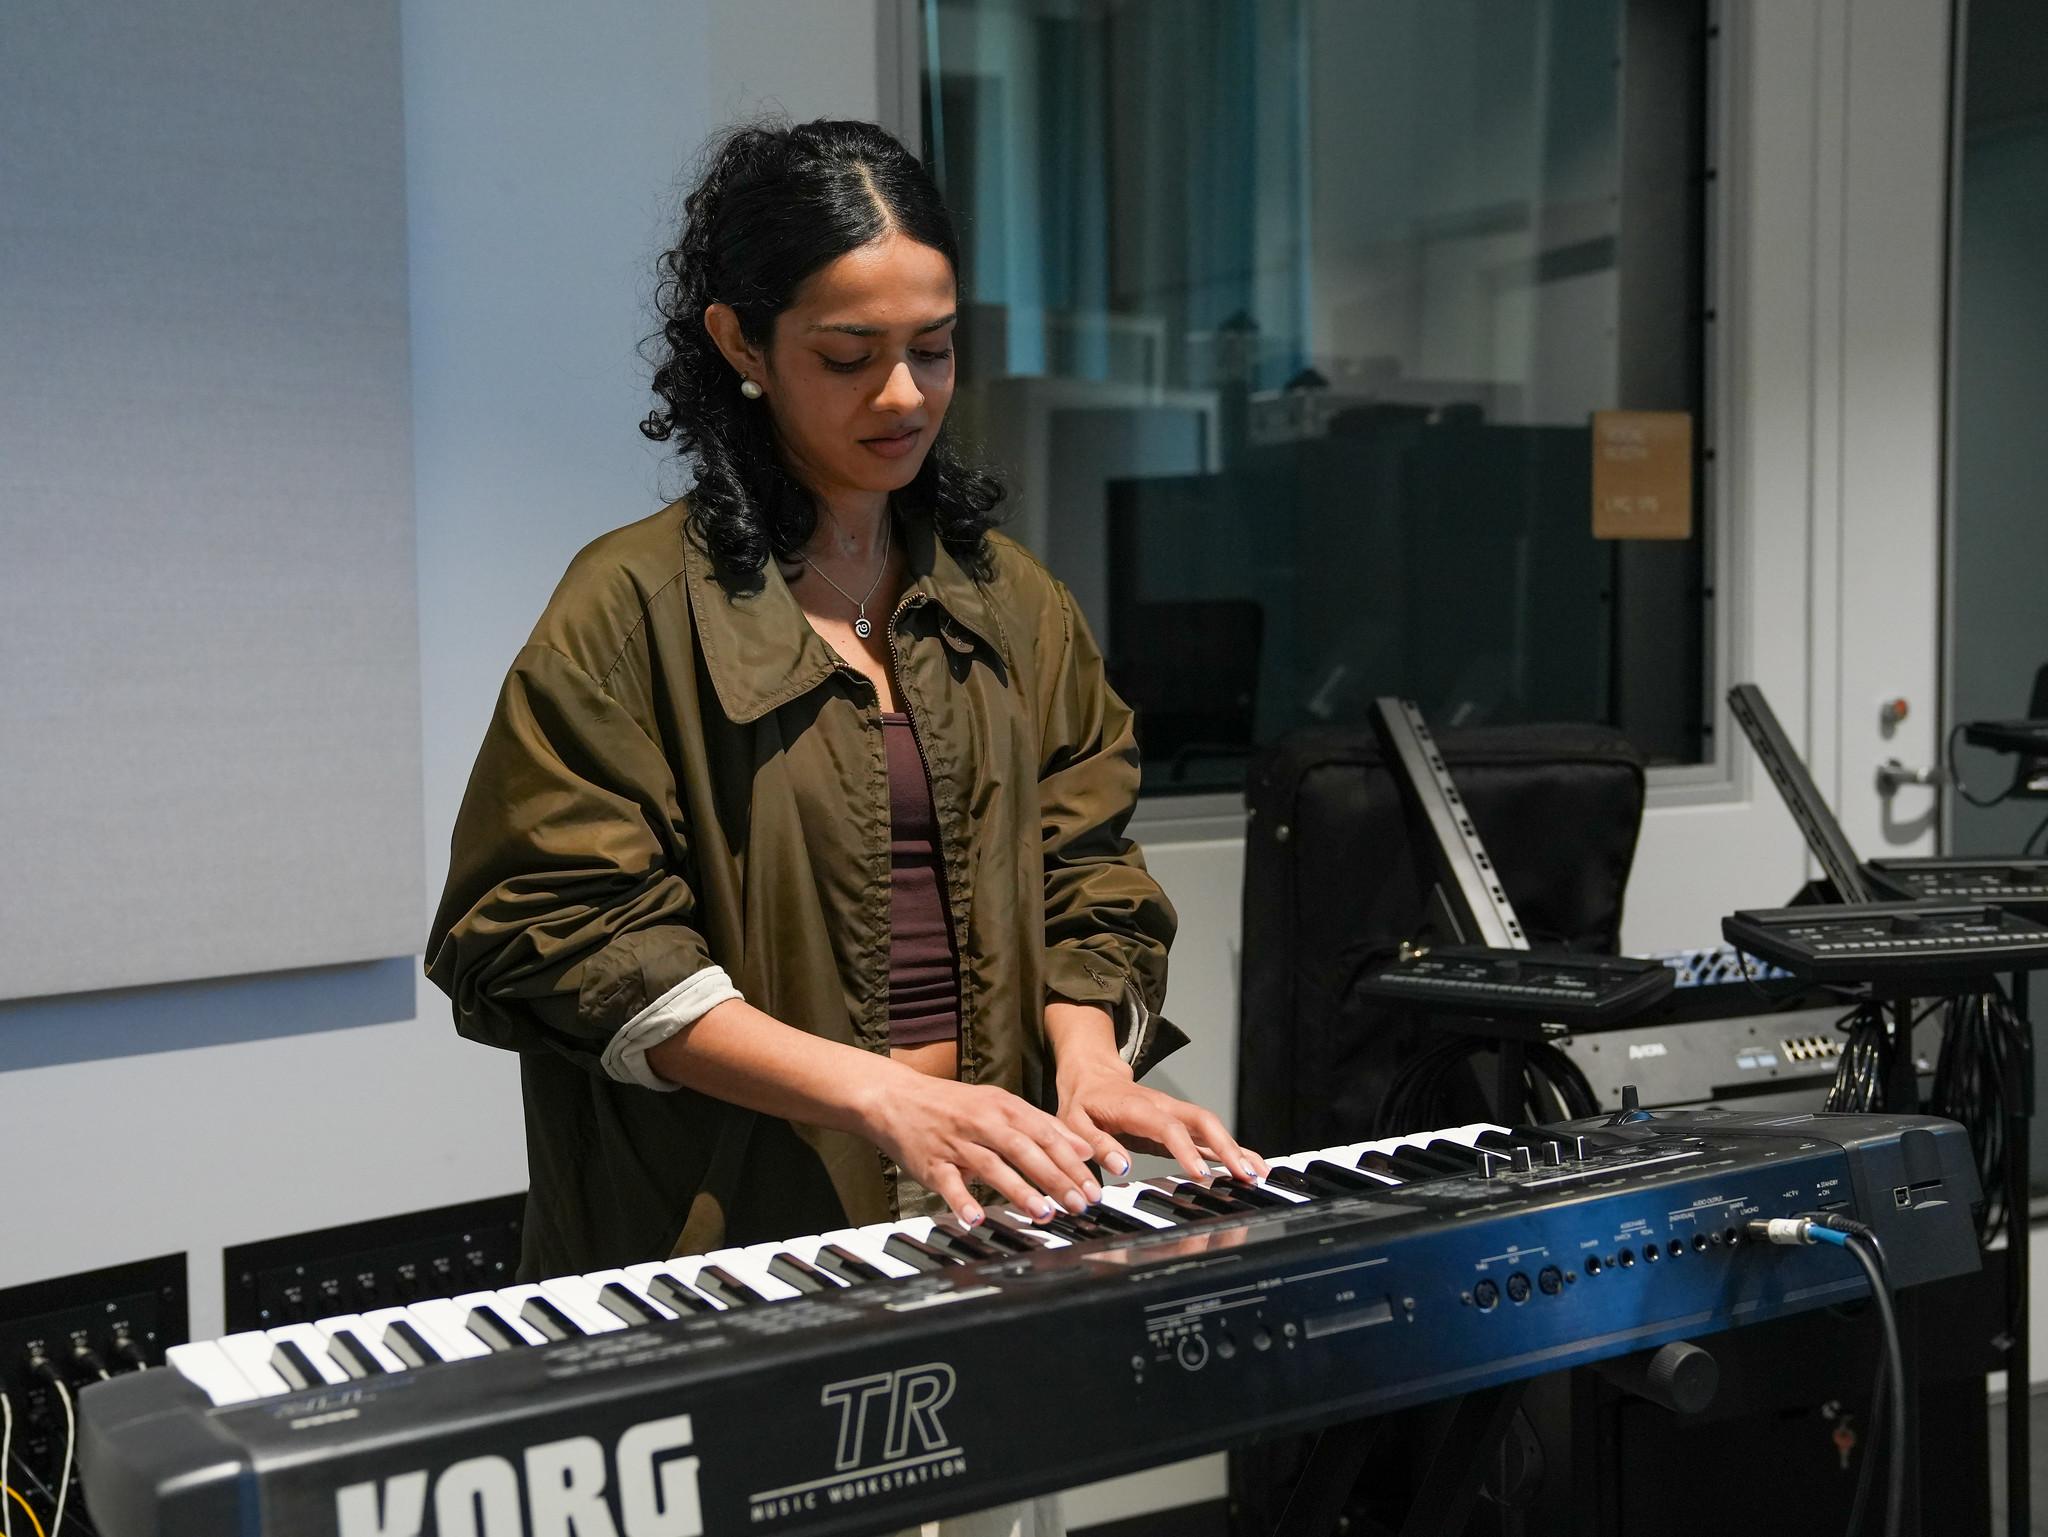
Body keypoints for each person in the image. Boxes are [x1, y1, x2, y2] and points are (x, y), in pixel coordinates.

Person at [426, 118, 1264, 1536]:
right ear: (741, 344)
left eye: (933, 348)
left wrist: (1083, 1059)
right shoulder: (627, 610)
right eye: (846, 354)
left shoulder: (1012, 602)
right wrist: (876, 1091)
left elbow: (1088, 863)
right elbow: (553, 929)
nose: (902, 392)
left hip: (980, 1232)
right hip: (731, 1256)